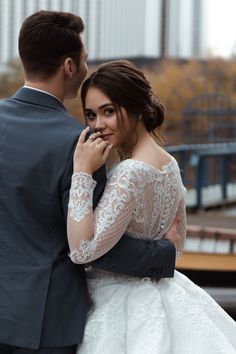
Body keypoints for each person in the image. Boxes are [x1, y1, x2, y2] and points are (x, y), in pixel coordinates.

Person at [0, 11, 179, 354]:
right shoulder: (81, 143)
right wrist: (164, 254)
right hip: (45, 323)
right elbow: (94, 246)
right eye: (83, 58)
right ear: (70, 66)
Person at [67, 60, 236, 354]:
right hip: (159, 293)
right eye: (91, 115)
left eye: (109, 111)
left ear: (137, 108)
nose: (97, 125)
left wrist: (81, 172)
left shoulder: (129, 172)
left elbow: (82, 251)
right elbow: (177, 245)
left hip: (118, 302)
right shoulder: (169, 164)